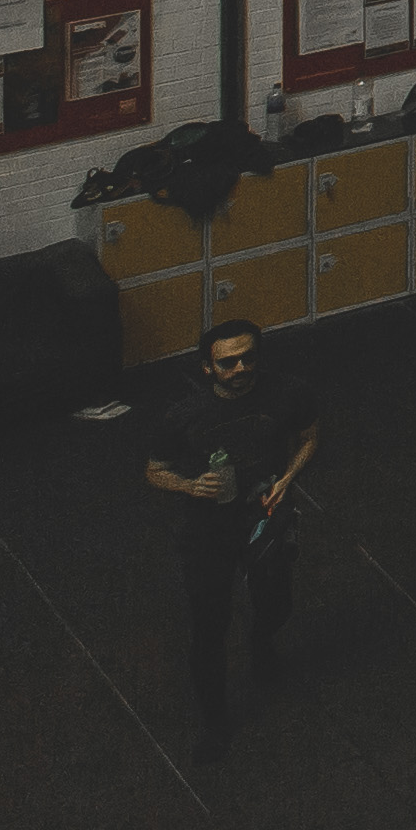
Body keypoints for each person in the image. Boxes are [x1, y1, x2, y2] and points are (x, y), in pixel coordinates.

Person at [137, 317, 317, 755]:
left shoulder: (286, 392)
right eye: (228, 362)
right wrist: (189, 485)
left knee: (276, 602)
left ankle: (262, 640)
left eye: (248, 358)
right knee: (209, 627)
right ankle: (215, 724)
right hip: (208, 530)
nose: (240, 369)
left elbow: (309, 435)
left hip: (264, 513)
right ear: (207, 369)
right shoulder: (184, 416)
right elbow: (153, 471)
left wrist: (288, 478)